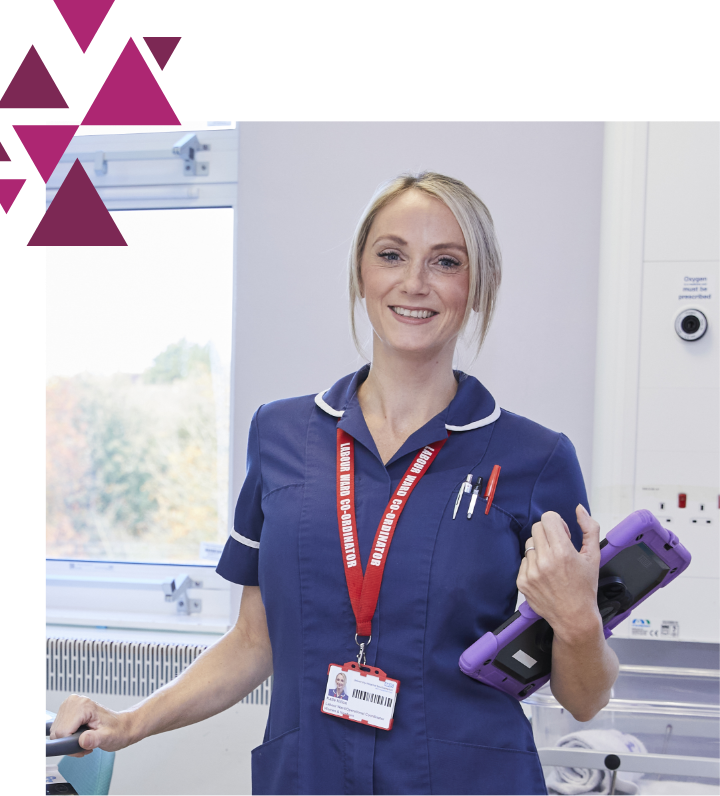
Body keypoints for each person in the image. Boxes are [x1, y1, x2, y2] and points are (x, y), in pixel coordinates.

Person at [50, 172, 619, 795]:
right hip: (311, 777)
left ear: (477, 288)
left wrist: (578, 621)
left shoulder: (535, 459)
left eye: (446, 262)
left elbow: (584, 699)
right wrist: (130, 723)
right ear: (360, 274)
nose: (414, 283)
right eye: (392, 255)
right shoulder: (281, 434)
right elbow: (253, 640)